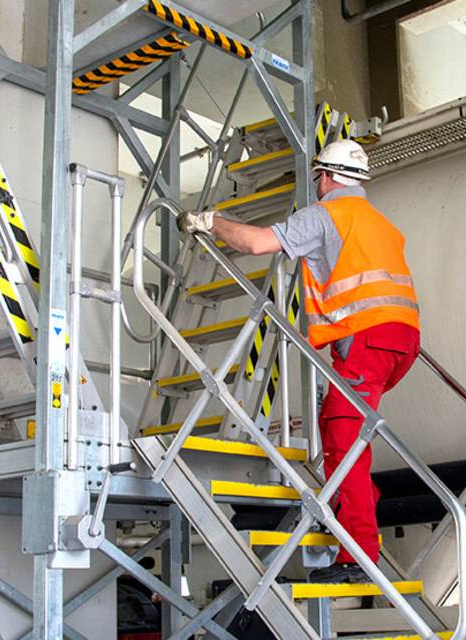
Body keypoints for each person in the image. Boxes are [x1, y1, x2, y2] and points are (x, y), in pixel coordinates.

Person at [178, 139, 420, 584]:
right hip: (401, 341)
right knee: (340, 430)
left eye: (317, 178)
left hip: (367, 339)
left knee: (345, 440)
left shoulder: (327, 214)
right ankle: (359, 524)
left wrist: (210, 222)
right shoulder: (380, 223)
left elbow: (256, 244)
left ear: (324, 177)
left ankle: (358, 556)